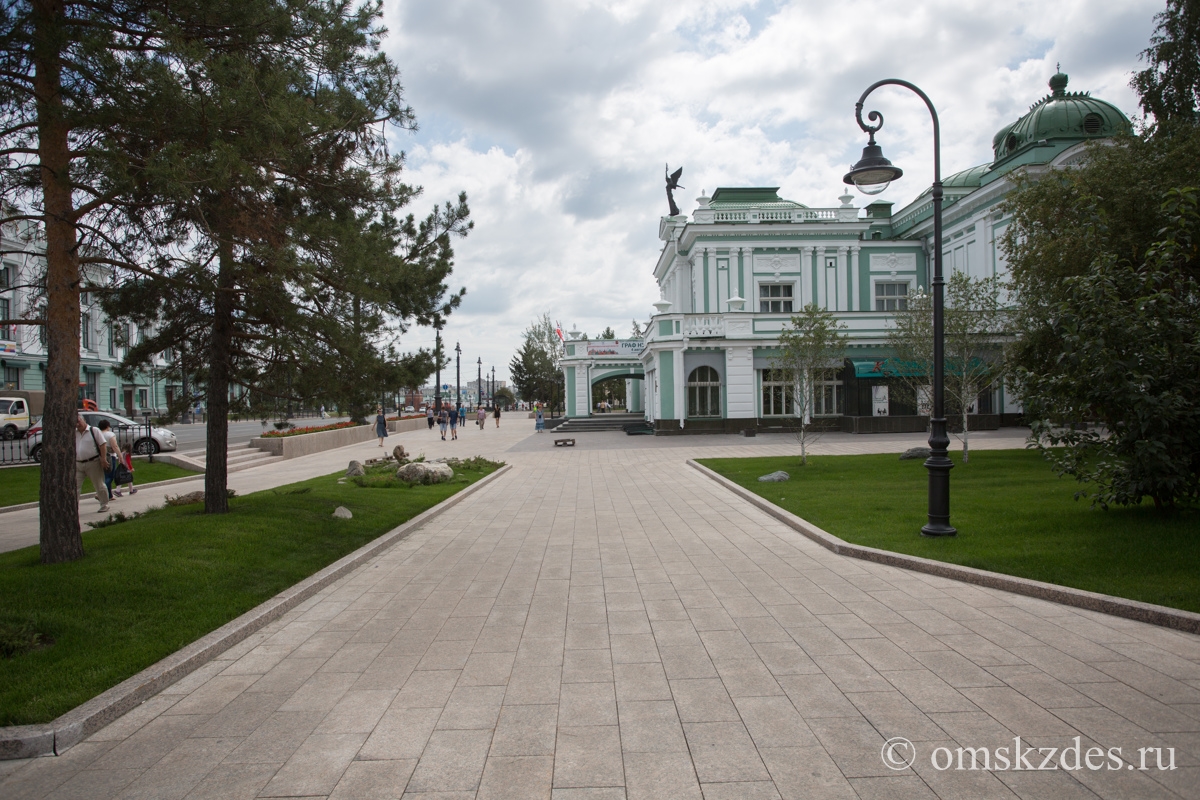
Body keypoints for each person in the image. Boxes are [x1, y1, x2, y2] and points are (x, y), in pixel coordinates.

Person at [75, 414, 109, 513]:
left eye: (79, 421)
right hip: (78, 464)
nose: (77, 424)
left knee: (99, 485)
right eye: (75, 422)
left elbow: (103, 444)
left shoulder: (94, 430)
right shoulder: (74, 433)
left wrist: (103, 459)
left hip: (93, 462)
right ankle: (73, 508)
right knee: (75, 487)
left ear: (84, 420)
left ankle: (104, 504)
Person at [96, 418, 121, 500]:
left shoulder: (97, 434)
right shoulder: (110, 434)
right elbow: (114, 446)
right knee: (110, 476)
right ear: (107, 426)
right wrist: (120, 456)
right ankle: (100, 493)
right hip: (110, 457)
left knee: (104, 476)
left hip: (100, 457)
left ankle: (109, 495)